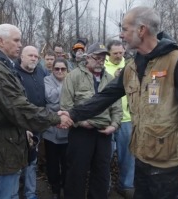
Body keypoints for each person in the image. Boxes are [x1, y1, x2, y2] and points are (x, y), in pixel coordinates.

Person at [59, 6, 178, 199]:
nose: (121, 34)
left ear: (141, 30)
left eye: (125, 29)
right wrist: (72, 114)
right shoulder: (132, 66)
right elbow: (106, 96)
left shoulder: (177, 62)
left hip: (170, 166)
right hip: (142, 160)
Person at [0, 24, 73, 199]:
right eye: (16, 40)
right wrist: (55, 118)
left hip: (11, 140)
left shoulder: (5, 67)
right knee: (4, 193)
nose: (20, 44)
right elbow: (19, 108)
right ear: (0, 41)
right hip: (3, 148)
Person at [60, 42, 122, 199]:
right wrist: (81, 123)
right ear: (87, 58)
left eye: (103, 58)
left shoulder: (110, 78)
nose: (100, 61)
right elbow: (66, 105)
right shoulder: (73, 76)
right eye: (97, 58)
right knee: (76, 171)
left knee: (101, 172)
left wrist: (114, 126)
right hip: (81, 133)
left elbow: (117, 107)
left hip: (104, 133)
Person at [15, 45, 49, 199]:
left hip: (38, 124)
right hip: (20, 125)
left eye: (36, 56)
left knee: (32, 160)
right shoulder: (13, 73)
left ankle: (30, 193)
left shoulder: (41, 71)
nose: (34, 58)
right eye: (30, 55)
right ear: (21, 56)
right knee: (18, 161)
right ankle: (16, 192)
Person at [105, 39, 135, 198]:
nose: (118, 56)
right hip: (107, 119)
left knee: (128, 155)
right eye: (115, 53)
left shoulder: (131, 66)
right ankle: (105, 185)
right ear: (109, 53)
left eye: (121, 53)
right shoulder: (102, 67)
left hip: (127, 119)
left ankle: (126, 185)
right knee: (105, 156)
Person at [43, 58, 69, 199]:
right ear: (52, 69)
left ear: (66, 70)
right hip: (51, 130)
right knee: (52, 162)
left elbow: (74, 100)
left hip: (67, 128)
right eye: (56, 69)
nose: (59, 71)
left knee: (67, 162)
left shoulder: (71, 79)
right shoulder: (46, 80)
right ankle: (55, 189)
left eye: (63, 69)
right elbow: (50, 97)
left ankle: (65, 187)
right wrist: (66, 93)